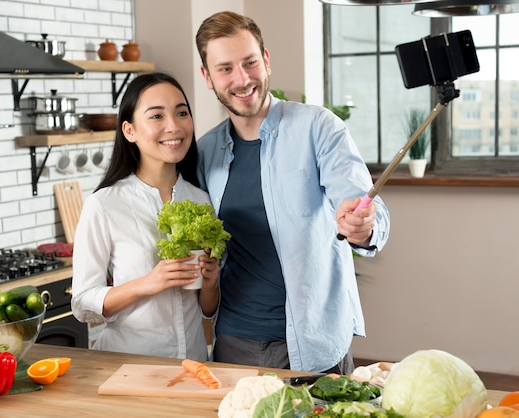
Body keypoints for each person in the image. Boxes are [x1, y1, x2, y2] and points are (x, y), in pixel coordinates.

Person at [194, 11, 390, 374]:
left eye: (250, 62)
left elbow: (364, 204)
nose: (242, 78)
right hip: (233, 342)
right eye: (225, 69)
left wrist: (362, 224)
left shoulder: (318, 127)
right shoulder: (206, 151)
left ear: (265, 60)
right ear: (207, 77)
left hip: (315, 344)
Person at [71, 72, 220, 361]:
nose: (173, 126)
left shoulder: (201, 200)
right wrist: (148, 282)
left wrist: (211, 284)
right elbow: (83, 303)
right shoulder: (104, 205)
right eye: (156, 116)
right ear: (129, 131)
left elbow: (208, 309)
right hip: (127, 365)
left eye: (181, 112)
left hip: (193, 365)